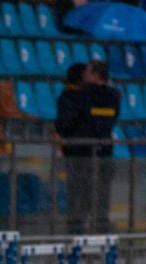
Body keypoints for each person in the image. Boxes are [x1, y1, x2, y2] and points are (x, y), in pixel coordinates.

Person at [55, 59, 120, 234]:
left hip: (80, 155)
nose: (84, 76)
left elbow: (65, 125)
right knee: (101, 202)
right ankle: (100, 241)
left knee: (78, 202)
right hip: (103, 154)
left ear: (94, 75)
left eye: (87, 73)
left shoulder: (80, 96)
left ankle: (76, 242)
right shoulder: (114, 96)